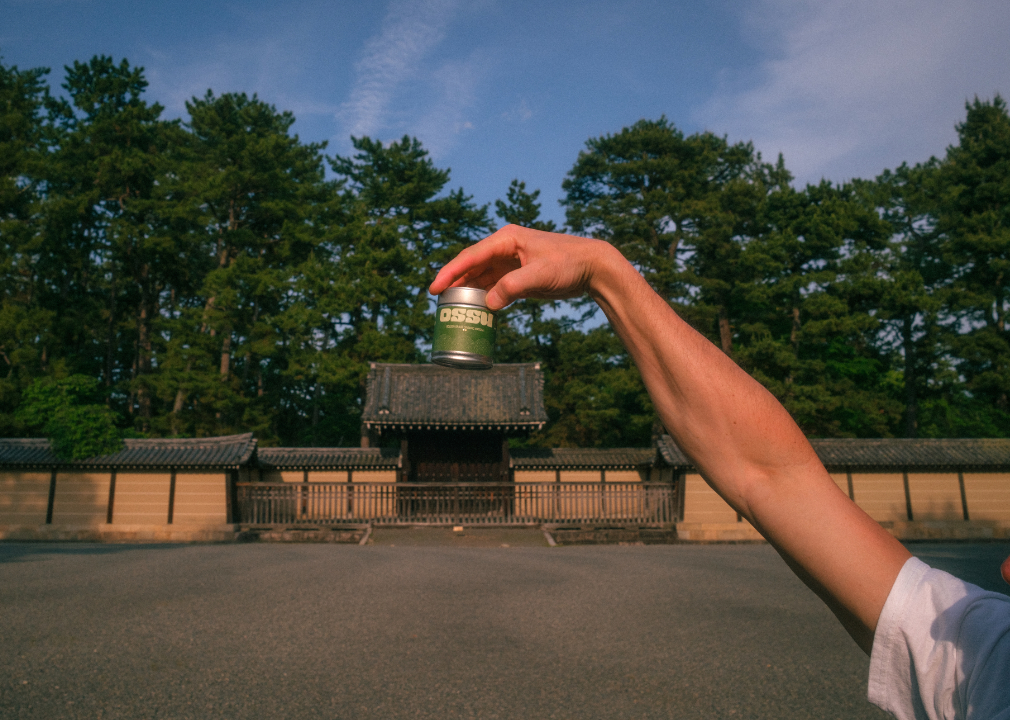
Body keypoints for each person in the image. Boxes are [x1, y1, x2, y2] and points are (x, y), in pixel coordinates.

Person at [430, 225, 1010, 720]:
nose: (1004, 566)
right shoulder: (980, 659)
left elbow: (772, 477)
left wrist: (602, 270)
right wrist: (602, 269)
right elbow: (770, 475)